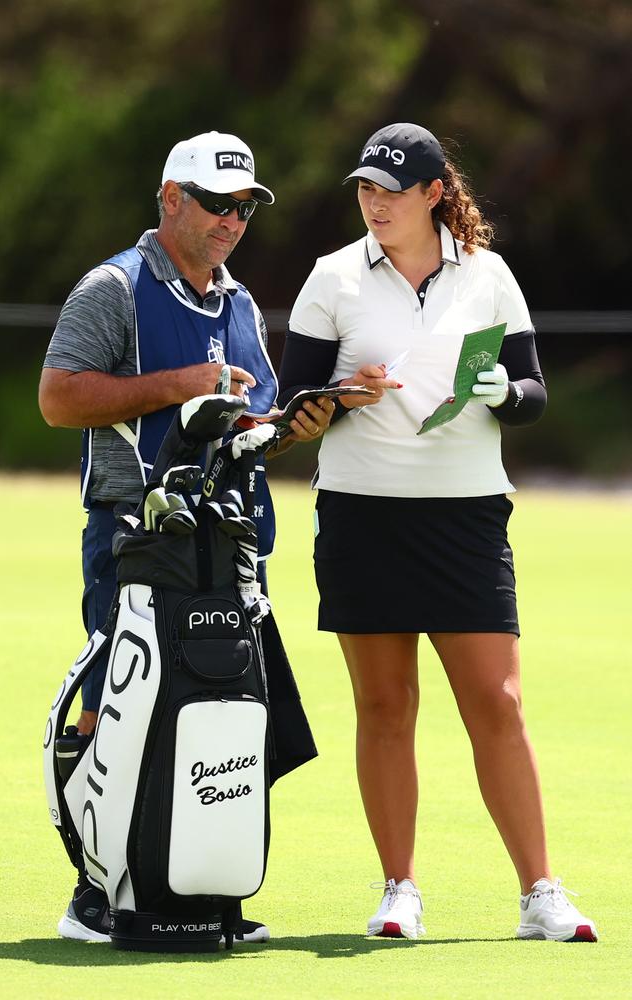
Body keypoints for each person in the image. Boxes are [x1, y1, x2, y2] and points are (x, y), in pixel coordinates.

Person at [278, 123, 598, 943]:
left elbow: (532, 392)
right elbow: (294, 407)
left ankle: (540, 892)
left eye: (391, 190)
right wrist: (338, 398)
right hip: (363, 513)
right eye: (365, 189)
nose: (374, 203)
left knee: (497, 702)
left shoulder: (487, 276)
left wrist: (502, 390)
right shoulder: (334, 277)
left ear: (432, 195)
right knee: (385, 705)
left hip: (465, 516)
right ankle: (399, 889)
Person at [39, 130, 334, 945]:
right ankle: (98, 894)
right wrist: (183, 385)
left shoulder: (237, 303)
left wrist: (300, 423)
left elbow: (246, 422)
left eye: (244, 206)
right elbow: (59, 399)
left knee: (220, 713)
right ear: (170, 197)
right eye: (215, 202)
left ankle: (195, 886)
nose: (233, 220)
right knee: (121, 706)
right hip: (138, 536)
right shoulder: (114, 288)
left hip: (226, 543)